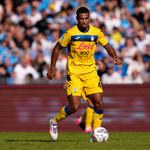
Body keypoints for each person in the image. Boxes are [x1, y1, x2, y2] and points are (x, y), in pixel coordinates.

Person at [46, 7, 122, 141]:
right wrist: (52, 68)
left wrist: (114, 57)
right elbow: (57, 47)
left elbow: (108, 46)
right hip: (74, 74)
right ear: (77, 19)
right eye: (81, 18)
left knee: (98, 103)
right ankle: (55, 122)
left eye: (86, 18)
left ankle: (95, 133)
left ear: (89, 18)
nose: (84, 21)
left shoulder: (96, 32)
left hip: (91, 73)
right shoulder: (71, 34)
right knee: (75, 106)